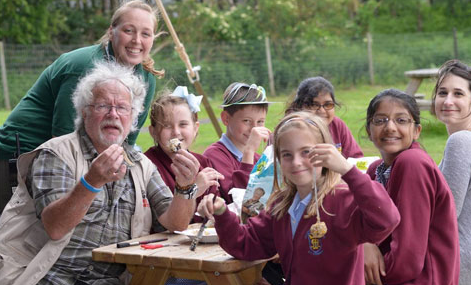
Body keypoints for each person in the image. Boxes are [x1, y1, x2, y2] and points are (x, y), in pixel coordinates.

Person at [0, 61, 202, 285]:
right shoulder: (56, 153)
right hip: (54, 277)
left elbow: (175, 223)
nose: (113, 114)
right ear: (84, 112)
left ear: (133, 118)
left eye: (122, 108)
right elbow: (55, 227)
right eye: (103, 106)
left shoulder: (140, 165)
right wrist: (91, 182)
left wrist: (185, 187)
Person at [197, 111, 400, 285]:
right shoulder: (282, 207)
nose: (296, 162)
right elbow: (246, 244)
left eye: (306, 152)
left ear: (326, 153)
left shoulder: (342, 200)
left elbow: (386, 219)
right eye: (287, 155)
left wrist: (348, 171)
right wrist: (222, 213)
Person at [0, 0, 164, 212]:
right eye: (128, 30)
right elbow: (63, 139)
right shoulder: (84, 67)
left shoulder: (146, 79)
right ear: (111, 31)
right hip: (20, 157)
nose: (136, 40)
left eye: (146, 34)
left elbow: (125, 141)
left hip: (68, 158)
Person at [363, 89, 460, 285]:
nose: (390, 127)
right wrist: (363, 244)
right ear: (368, 130)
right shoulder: (375, 171)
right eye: (380, 120)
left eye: (401, 120)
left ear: (416, 131)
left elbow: (406, 262)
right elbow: (359, 225)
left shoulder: (412, 162)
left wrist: (360, 271)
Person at [144, 86, 223, 223]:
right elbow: (160, 217)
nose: (176, 132)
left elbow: (214, 208)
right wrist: (194, 190)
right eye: (167, 126)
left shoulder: (203, 163)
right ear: (154, 132)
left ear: (195, 128)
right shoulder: (148, 164)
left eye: (183, 124)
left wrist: (213, 206)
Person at [431, 59, 471, 284]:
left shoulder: (461, 141)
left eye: (458, 94)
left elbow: (444, 214)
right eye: (442, 92)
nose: (448, 101)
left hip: (457, 264)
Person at [203, 82, 271, 204]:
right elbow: (241, 202)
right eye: (246, 121)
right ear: (226, 119)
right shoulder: (214, 156)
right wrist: (248, 152)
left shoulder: (258, 158)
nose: (254, 129)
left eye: (260, 121)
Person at [285, 76, 363, 158]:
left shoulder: (337, 125)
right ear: (299, 107)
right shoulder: (290, 130)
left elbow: (356, 158)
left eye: (328, 104)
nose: (322, 111)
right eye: (314, 105)